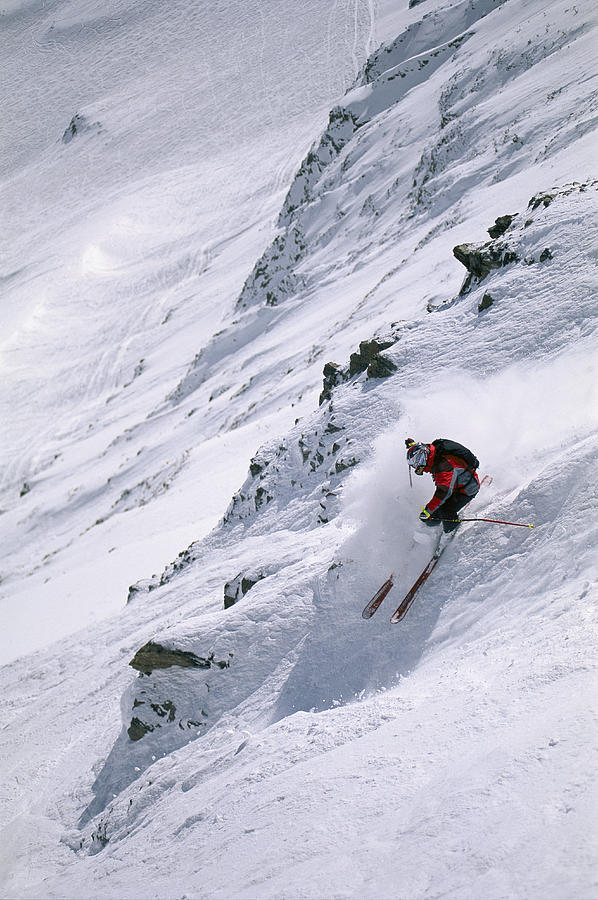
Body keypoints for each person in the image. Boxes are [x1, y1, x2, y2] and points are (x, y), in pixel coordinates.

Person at [405, 438, 480, 533]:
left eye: (416, 463)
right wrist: (412, 445)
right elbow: (420, 449)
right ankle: (432, 532)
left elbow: (444, 491)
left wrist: (427, 511)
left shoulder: (443, 465)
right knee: (432, 517)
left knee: (445, 511)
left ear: (423, 458)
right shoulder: (432, 453)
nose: (416, 467)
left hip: (466, 489)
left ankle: (451, 531)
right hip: (455, 487)